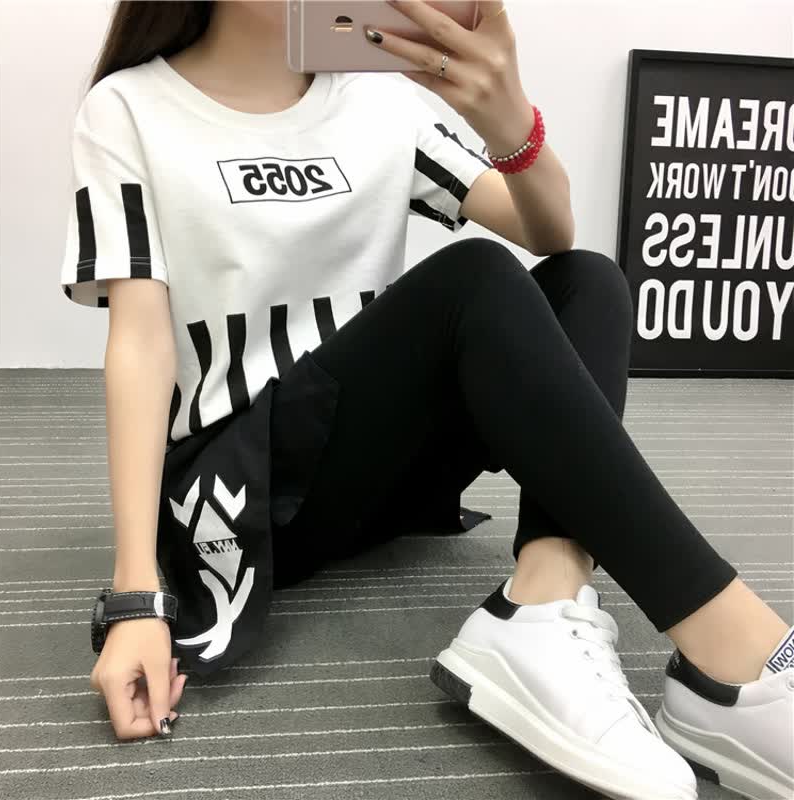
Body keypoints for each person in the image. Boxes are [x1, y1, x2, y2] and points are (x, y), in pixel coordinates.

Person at [59, 2, 793, 799]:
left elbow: (548, 233)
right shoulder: (130, 108)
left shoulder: (377, 99)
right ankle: (738, 657)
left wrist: (508, 116)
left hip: (374, 476)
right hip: (244, 495)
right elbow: (140, 345)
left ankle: (542, 601)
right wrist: (136, 594)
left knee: (590, 281)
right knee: (475, 279)